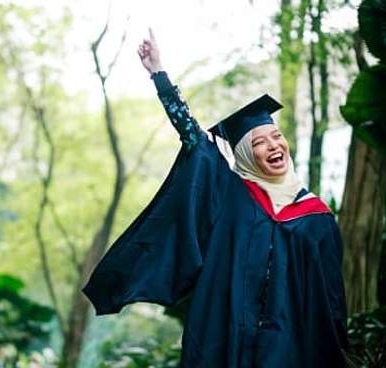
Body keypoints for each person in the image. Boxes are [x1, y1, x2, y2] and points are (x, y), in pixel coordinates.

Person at [82, 28, 348, 367]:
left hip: (290, 346)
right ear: (246, 156)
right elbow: (194, 140)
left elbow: (331, 300)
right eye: (259, 142)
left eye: (276, 136)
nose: (274, 146)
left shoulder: (317, 218)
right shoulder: (233, 196)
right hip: (224, 338)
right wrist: (160, 76)